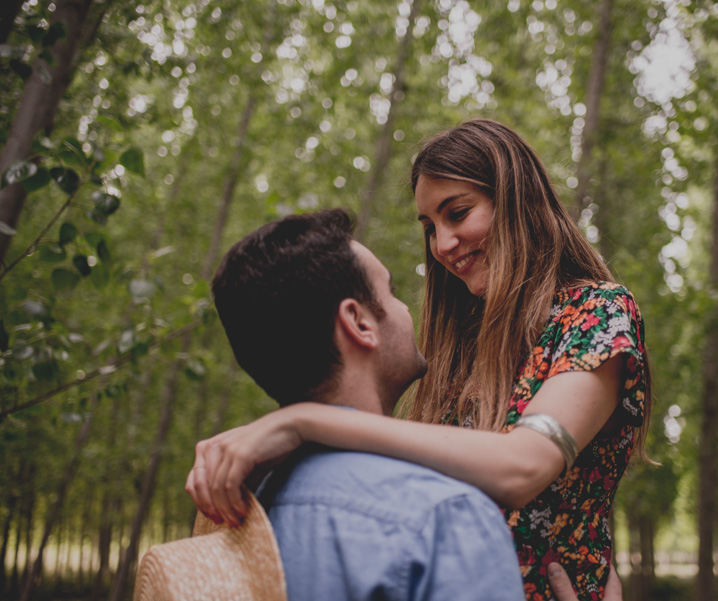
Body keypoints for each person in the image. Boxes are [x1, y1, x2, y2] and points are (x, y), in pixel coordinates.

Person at [188, 120, 650, 601]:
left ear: (516, 201)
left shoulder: (596, 313)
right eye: (430, 228)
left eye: (458, 213)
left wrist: (304, 421)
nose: (443, 244)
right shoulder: (456, 349)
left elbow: (523, 467)